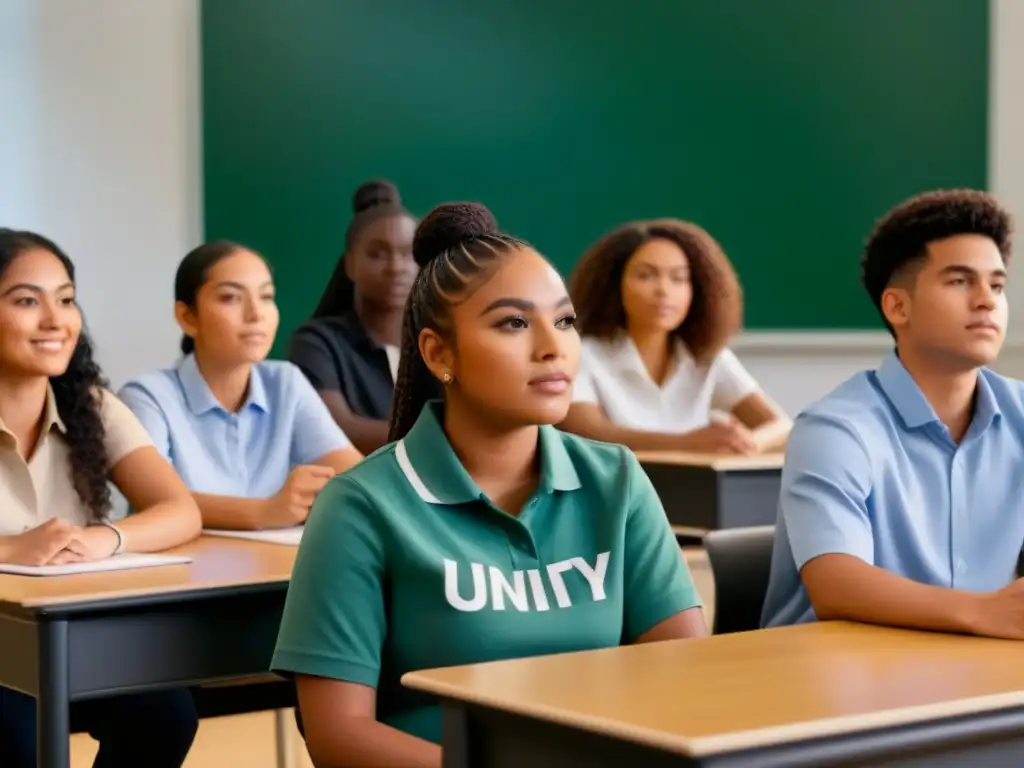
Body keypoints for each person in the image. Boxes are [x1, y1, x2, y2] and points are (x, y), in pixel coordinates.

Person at [272, 203, 706, 767]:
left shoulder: (615, 478)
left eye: (566, 321)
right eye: (514, 323)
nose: (553, 347)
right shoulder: (359, 506)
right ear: (437, 353)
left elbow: (689, 677)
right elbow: (339, 736)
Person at [760, 189, 1024, 639]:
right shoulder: (835, 428)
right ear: (897, 306)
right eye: (960, 281)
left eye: (997, 285)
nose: (986, 301)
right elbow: (836, 583)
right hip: (828, 681)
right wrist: (980, 612)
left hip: (975, 669)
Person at [0, 229, 201, 767]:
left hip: (71, 640)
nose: (55, 320)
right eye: (26, 300)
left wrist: (102, 538)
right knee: (19, 735)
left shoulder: (91, 405)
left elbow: (180, 511)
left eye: (66, 299)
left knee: (166, 713)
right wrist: (9, 550)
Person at [118, 241, 361, 531]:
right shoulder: (147, 396)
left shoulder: (286, 382)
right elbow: (157, 502)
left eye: (267, 296)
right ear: (187, 317)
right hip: (185, 570)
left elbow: (354, 474)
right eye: (231, 298)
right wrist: (264, 512)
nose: (256, 314)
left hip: (276, 564)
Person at [560, 218, 790, 455]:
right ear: (613, 284)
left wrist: (746, 442)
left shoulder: (707, 355)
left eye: (678, 278)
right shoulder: (582, 353)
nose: (663, 290)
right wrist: (688, 444)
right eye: (646, 275)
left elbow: (782, 426)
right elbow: (589, 433)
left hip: (693, 489)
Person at [288, 180, 420, 454]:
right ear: (350, 264)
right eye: (378, 254)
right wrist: (448, 438)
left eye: (408, 254)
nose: (396, 267)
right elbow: (336, 429)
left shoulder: (437, 343)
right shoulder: (317, 343)